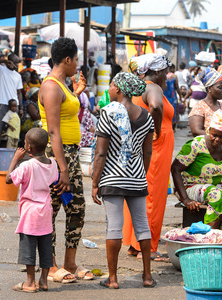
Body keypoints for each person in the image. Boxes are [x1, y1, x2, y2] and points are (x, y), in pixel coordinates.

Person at [92, 72, 156, 289]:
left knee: (114, 228)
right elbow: (148, 152)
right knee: (142, 225)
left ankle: (112, 279)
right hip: (137, 177)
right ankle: (147, 276)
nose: (109, 89)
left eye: (111, 85)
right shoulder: (146, 116)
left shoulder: (108, 112)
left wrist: (94, 183)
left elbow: (101, 154)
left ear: (118, 90)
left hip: (112, 178)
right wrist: (140, 174)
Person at [38, 37, 94, 283]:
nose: (78, 65)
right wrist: (62, 168)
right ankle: (49, 267)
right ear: (68, 59)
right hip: (56, 155)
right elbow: (53, 131)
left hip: (69, 154)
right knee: (51, 209)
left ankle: (69, 263)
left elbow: (65, 113)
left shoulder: (62, 85)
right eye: (77, 60)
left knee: (76, 209)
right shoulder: (51, 86)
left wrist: (75, 93)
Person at [171, 110, 222, 241]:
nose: (217, 139)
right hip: (190, 186)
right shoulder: (196, 145)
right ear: (209, 130)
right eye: (214, 135)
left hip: (216, 186)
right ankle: (209, 239)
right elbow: (175, 168)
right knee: (217, 196)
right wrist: (185, 199)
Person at [122, 53, 174, 261]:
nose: (167, 76)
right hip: (156, 147)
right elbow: (155, 106)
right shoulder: (152, 86)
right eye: (166, 72)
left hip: (148, 146)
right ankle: (149, 247)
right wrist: (157, 129)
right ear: (158, 71)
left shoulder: (138, 88)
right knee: (153, 194)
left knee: (144, 193)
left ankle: (136, 244)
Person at [5, 128, 58, 293]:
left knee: (28, 247)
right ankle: (43, 280)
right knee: (45, 246)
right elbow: (54, 179)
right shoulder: (53, 163)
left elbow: (8, 179)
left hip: (30, 212)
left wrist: (15, 159)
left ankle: (29, 282)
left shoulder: (27, 165)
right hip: (46, 211)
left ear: (28, 148)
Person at [189, 67, 222, 143]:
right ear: (209, 88)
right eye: (220, 87)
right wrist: (218, 139)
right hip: (207, 150)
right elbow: (196, 131)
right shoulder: (199, 107)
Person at [0, 53, 23, 146]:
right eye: (14, 62)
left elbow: (19, 92)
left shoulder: (18, 76)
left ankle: (11, 149)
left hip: (14, 105)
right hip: (2, 103)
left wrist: (20, 108)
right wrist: (4, 61)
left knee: (14, 128)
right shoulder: (1, 70)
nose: (16, 65)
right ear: (9, 62)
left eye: (17, 63)